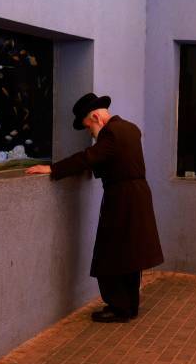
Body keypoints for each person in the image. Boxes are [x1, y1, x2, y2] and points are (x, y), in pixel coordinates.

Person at [26, 93, 164, 321]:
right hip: (137, 196)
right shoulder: (130, 128)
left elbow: (88, 157)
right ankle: (129, 306)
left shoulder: (111, 133)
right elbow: (109, 159)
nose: (90, 133)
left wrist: (53, 169)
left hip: (121, 198)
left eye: (88, 126)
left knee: (110, 252)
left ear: (97, 117)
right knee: (130, 254)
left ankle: (118, 308)